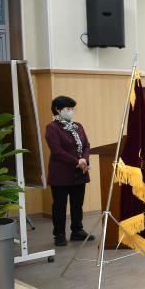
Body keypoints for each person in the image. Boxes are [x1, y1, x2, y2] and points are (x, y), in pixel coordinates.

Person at [45, 95, 93, 247]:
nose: (71, 111)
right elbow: (57, 151)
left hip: (80, 172)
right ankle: (59, 234)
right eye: (68, 109)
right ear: (58, 110)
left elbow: (86, 145)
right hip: (61, 173)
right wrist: (77, 161)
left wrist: (84, 159)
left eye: (72, 109)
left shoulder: (78, 126)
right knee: (60, 206)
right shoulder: (52, 128)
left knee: (77, 204)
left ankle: (77, 231)